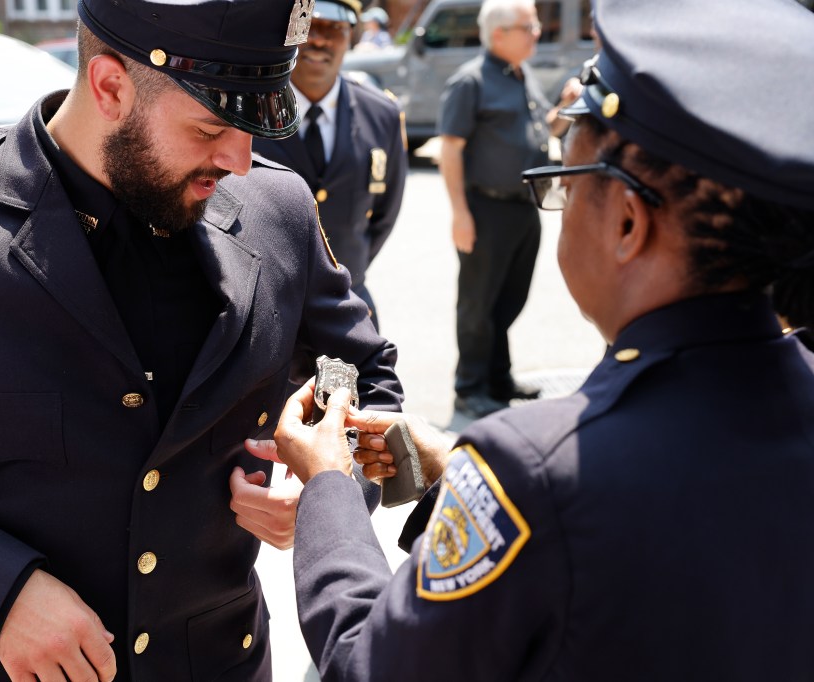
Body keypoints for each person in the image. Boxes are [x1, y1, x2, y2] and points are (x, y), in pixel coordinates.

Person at [0, 1, 405, 680]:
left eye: (254, 128)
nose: (239, 159)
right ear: (110, 85)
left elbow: (357, 370)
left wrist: (329, 484)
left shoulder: (275, 208)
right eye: (210, 127)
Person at [252, 0, 814, 677]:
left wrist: (329, 487)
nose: (561, 214)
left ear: (628, 224)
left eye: (566, 185)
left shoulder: (532, 469)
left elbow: (365, 666)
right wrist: (456, 485)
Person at [438, 0, 566, 419]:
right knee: (478, 304)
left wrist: (563, 109)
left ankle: (498, 377)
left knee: (508, 300)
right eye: (528, 26)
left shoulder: (520, 74)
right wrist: (460, 213)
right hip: (485, 208)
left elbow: (543, 127)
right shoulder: (470, 82)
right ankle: (470, 388)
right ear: (499, 35)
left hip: (523, 207)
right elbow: (450, 150)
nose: (537, 32)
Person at [253, 0, 408, 328]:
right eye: (309, 26)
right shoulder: (248, 108)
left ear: (352, 34)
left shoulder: (381, 115)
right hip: (264, 310)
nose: (320, 40)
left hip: (349, 308)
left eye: (335, 29)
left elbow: (383, 215)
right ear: (290, 31)